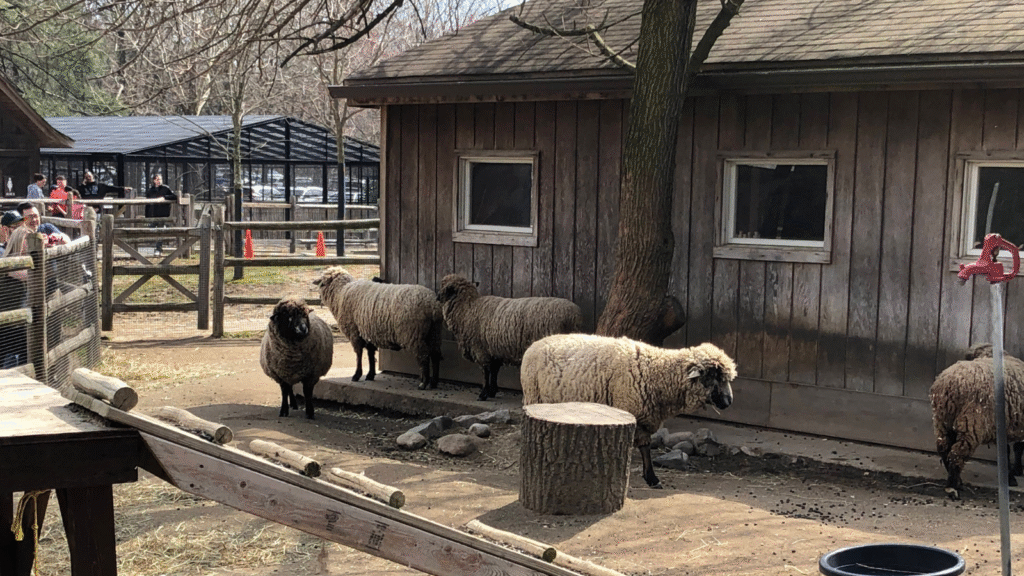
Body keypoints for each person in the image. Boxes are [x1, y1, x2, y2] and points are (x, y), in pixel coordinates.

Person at [145, 174, 178, 255]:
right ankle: (152, 248)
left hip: (163, 214)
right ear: (153, 181)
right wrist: (146, 216)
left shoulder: (165, 188)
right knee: (151, 230)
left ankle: (158, 249)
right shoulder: (150, 191)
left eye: (159, 179)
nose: (158, 181)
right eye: (156, 179)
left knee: (160, 231)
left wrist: (164, 197)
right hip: (153, 214)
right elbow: (147, 204)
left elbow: (174, 197)